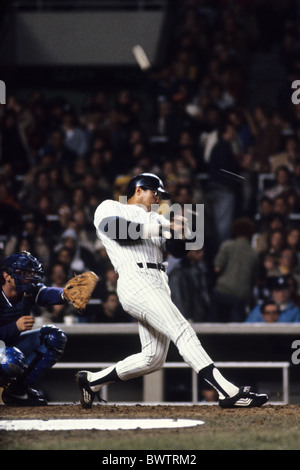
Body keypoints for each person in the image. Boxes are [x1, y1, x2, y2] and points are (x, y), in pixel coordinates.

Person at [75, 172, 268, 409]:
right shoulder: (112, 207)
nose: (158, 198)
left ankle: (91, 381)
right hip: (136, 278)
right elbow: (118, 232)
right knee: (182, 330)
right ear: (138, 190)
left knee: (152, 358)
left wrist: (183, 233)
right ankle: (226, 390)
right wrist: (164, 225)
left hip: (157, 281)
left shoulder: (157, 218)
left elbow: (178, 252)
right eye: (154, 193)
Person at [0, 251, 67, 406]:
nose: (28, 277)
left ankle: (18, 391)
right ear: (6, 276)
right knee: (10, 359)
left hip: (10, 344)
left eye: (30, 273)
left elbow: (45, 293)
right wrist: (14, 327)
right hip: (4, 347)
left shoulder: (27, 291)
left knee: (54, 337)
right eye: (23, 273)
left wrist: (66, 294)